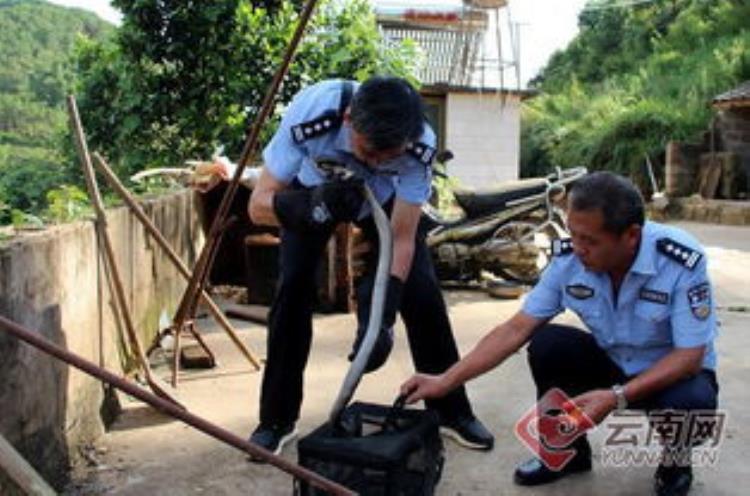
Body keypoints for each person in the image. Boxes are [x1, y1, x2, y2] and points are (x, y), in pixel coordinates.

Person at [401, 172, 719, 496]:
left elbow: (689, 357)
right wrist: (445, 381)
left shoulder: (678, 260)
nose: (579, 248)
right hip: (612, 361)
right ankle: (567, 455)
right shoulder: (570, 260)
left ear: (631, 235)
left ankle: (675, 461)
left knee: (692, 401)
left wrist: (616, 397)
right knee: (549, 344)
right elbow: (515, 329)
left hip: (667, 373)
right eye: (574, 235)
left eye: (590, 241)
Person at [241, 76, 494, 457]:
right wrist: (306, 207)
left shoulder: (418, 145)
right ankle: (276, 420)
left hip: (382, 201)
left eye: (387, 156)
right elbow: (258, 206)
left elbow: (403, 238)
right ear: (347, 120)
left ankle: (450, 411)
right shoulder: (313, 114)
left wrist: (385, 314)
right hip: (311, 194)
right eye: (368, 151)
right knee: (292, 291)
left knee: (422, 292)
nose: (374, 162)